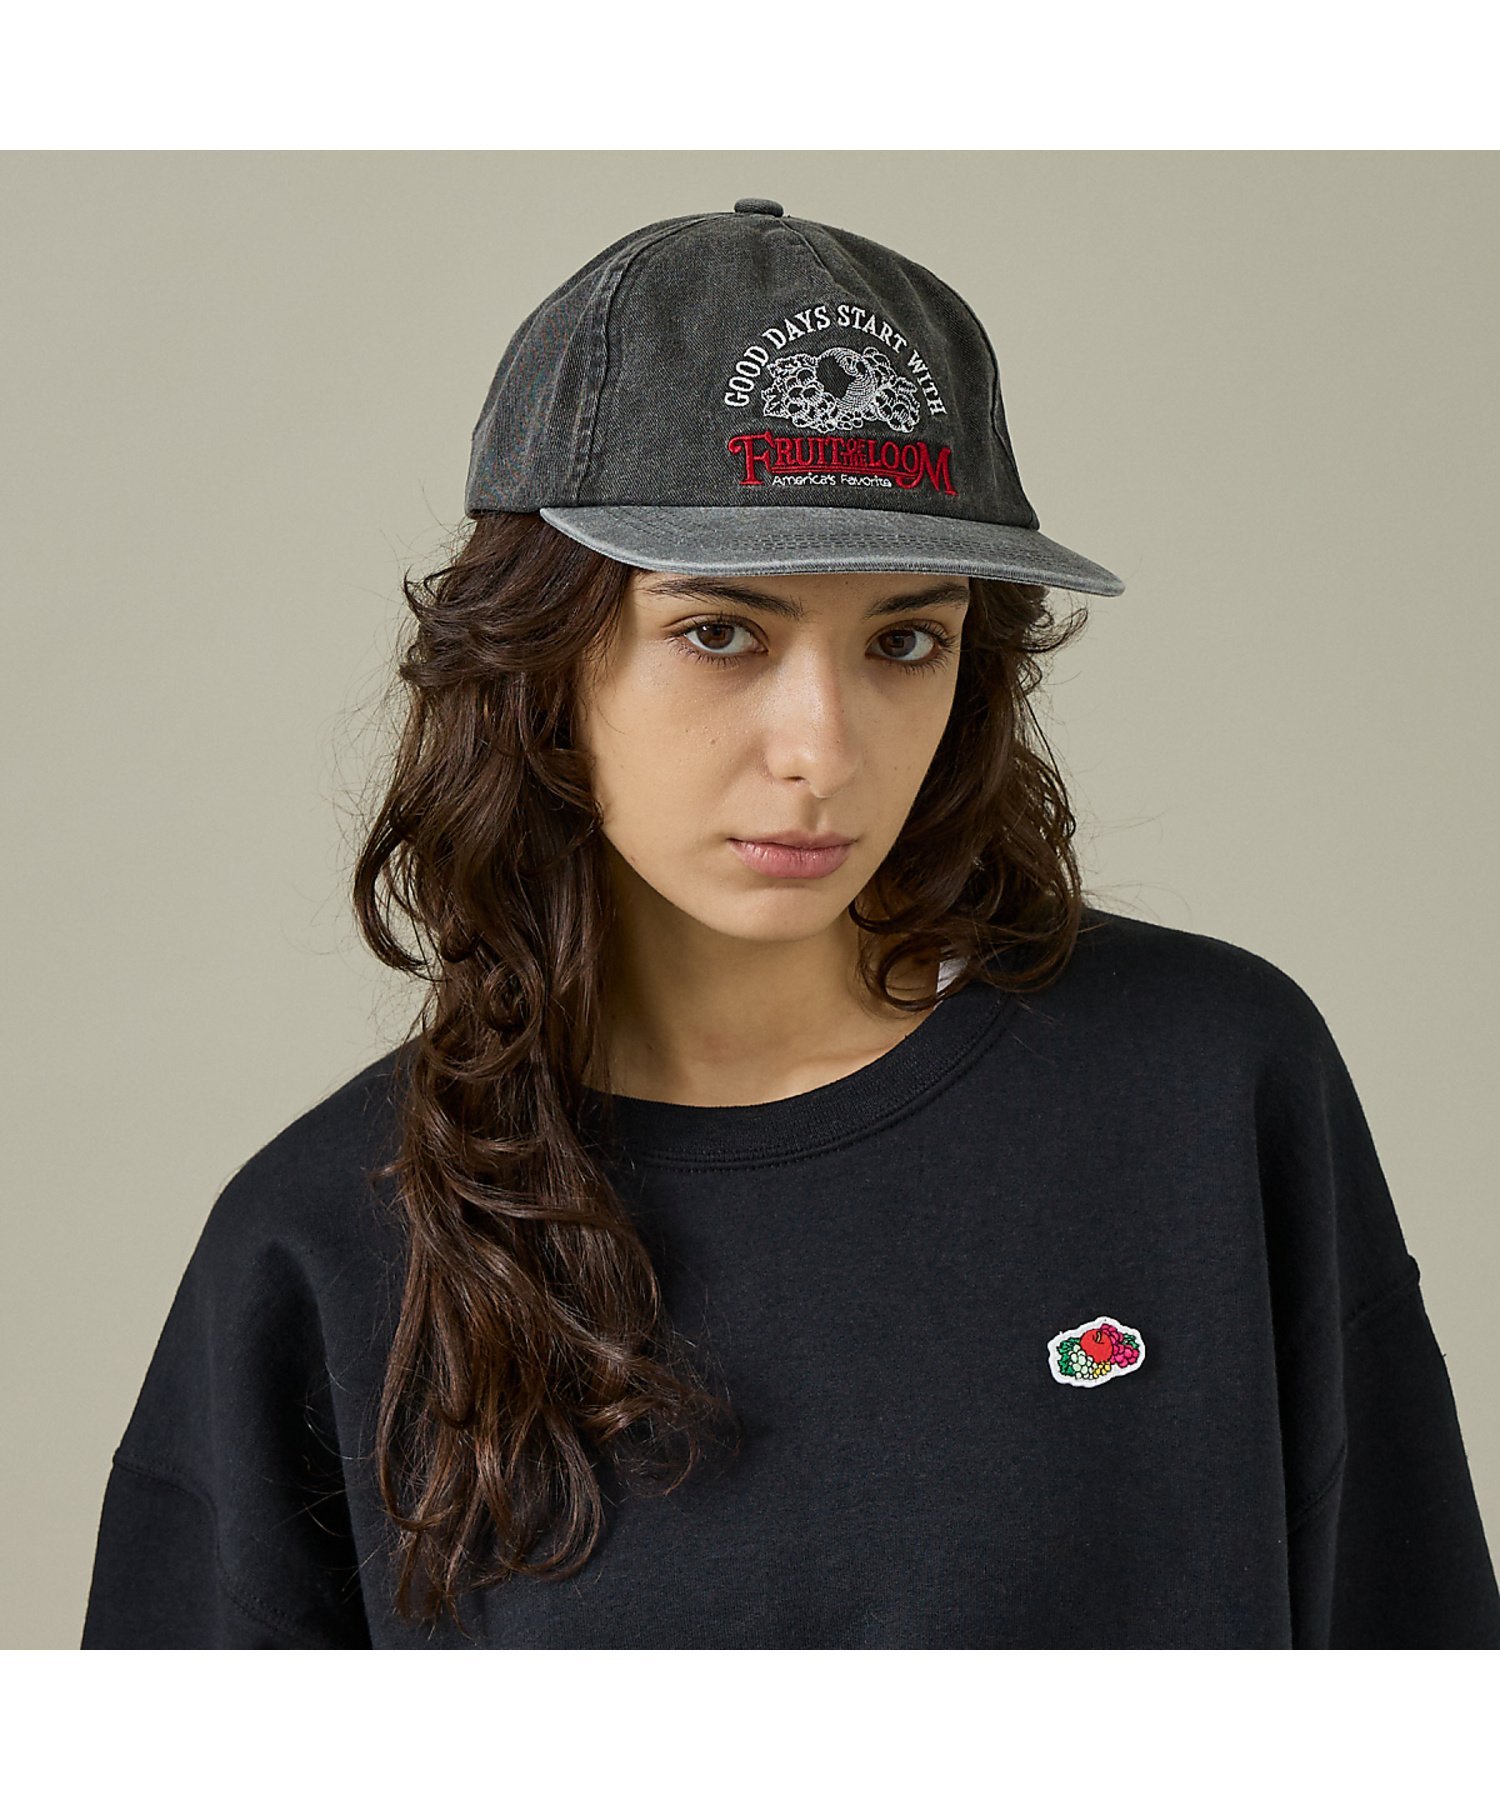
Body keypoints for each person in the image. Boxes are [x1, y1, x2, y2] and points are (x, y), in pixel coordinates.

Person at [81, 198, 1500, 1650]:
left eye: (905, 640)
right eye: (721, 634)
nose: (822, 748)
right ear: (539, 659)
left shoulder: (1211, 1088)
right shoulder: (325, 1243)